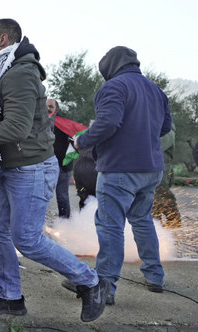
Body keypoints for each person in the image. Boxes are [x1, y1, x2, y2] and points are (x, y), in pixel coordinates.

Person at [0, 19, 108, 322]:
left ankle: (91, 282)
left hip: (30, 169)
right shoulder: (1, 71)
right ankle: (10, 297)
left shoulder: (18, 74)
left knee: (26, 239)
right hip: (9, 166)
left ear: (3, 40)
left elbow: (16, 127)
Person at [74, 46, 173, 305]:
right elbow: (165, 127)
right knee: (142, 220)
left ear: (109, 67)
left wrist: (81, 140)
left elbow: (107, 124)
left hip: (119, 168)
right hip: (151, 168)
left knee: (110, 226)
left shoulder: (114, 87)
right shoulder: (156, 90)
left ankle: (105, 286)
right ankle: (155, 277)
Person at [46, 98, 73, 218]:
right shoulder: (38, 122)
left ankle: (65, 223)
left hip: (63, 166)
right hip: (44, 165)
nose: (48, 109)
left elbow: (76, 140)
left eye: (51, 106)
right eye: (45, 106)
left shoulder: (64, 123)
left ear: (56, 108)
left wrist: (69, 160)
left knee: (62, 196)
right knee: (42, 196)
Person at [151, 123, 181, 227]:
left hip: (160, 167)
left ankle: (164, 222)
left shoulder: (166, 130)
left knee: (159, 195)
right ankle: (170, 220)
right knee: (159, 195)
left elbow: (156, 147)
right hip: (155, 166)